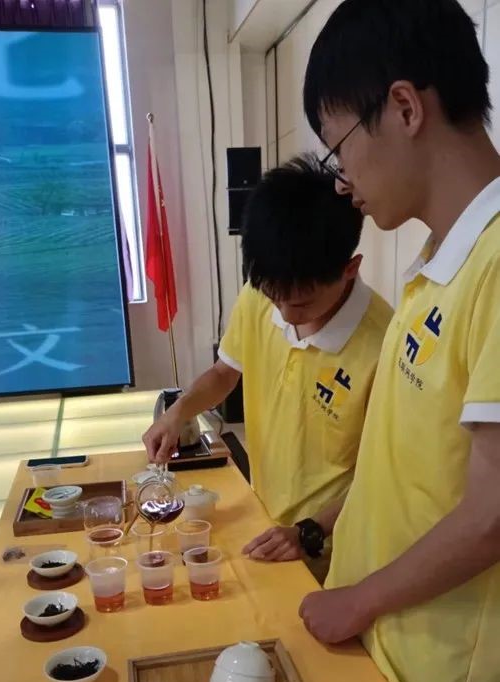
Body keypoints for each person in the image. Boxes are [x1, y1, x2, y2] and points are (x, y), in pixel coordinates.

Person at [300, 0, 500, 682]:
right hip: (376, 629)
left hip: (419, 659)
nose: (342, 181)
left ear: (405, 107)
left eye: (338, 148)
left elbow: (490, 516)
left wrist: (357, 600)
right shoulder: (438, 262)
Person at [143, 154, 392, 567]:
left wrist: (310, 531)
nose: (285, 315)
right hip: (264, 523)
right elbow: (225, 372)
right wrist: (178, 413)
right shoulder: (259, 295)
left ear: (350, 269)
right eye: (275, 299)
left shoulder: (385, 344)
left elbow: (381, 472)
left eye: (302, 303)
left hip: (330, 546)